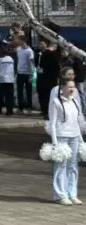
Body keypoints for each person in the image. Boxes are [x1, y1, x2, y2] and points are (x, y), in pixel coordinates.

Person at [47, 74, 83, 205]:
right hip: (62, 136)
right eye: (69, 87)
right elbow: (53, 123)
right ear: (62, 88)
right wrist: (55, 142)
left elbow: (76, 121)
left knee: (73, 166)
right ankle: (60, 195)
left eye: (73, 87)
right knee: (61, 166)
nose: (72, 89)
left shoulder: (74, 101)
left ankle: (72, 193)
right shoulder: (56, 102)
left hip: (73, 136)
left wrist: (80, 139)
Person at [15, 37, 35, 115]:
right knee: (19, 91)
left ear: (24, 41)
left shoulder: (30, 51)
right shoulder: (18, 49)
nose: (18, 41)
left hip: (27, 74)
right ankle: (20, 108)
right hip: (20, 73)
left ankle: (29, 107)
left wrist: (31, 74)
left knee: (28, 91)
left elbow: (32, 63)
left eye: (20, 40)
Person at [0, 48, 16, 116]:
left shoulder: (0, 59)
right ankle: (9, 111)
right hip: (10, 80)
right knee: (9, 96)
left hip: (2, 79)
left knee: (0, 96)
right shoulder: (11, 59)